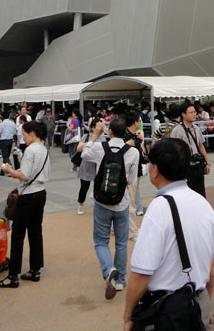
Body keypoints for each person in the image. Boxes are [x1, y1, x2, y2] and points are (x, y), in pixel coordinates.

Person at [123, 138, 214, 331]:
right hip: (197, 303)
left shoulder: (159, 208)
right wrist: (202, 300)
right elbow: (212, 266)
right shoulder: (203, 204)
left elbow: (141, 273)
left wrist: (128, 316)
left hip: (168, 310)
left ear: (155, 170)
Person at [78, 117, 139, 299]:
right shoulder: (133, 152)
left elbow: (83, 154)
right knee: (121, 242)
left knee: (100, 241)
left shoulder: (99, 148)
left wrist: (95, 135)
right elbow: (131, 180)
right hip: (122, 202)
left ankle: (108, 269)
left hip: (102, 201)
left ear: (109, 131)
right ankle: (120, 280)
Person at [0, 121, 50, 289]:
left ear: (32, 133)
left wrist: (8, 170)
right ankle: (35, 270)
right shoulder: (43, 148)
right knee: (35, 232)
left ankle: (13, 275)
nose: (23, 137)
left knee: (18, 234)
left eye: (25, 134)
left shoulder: (30, 150)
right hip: (41, 192)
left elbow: (24, 175)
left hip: (28, 195)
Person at [170, 102, 210, 197]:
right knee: (187, 196)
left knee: (201, 195)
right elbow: (175, 152)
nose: (194, 114)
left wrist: (207, 163)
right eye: (191, 112)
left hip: (197, 166)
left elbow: (200, 146)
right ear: (183, 114)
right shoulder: (177, 130)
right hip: (185, 168)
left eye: (195, 112)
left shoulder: (196, 129)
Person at [76, 118, 104, 215]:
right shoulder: (86, 136)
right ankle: (80, 204)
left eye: (102, 124)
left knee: (98, 187)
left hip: (98, 166)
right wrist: (91, 142)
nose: (101, 127)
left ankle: (98, 205)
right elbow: (79, 149)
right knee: (84, 187)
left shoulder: (104, 138)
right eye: (98, 125)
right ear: (92, 127)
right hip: (87, 165)